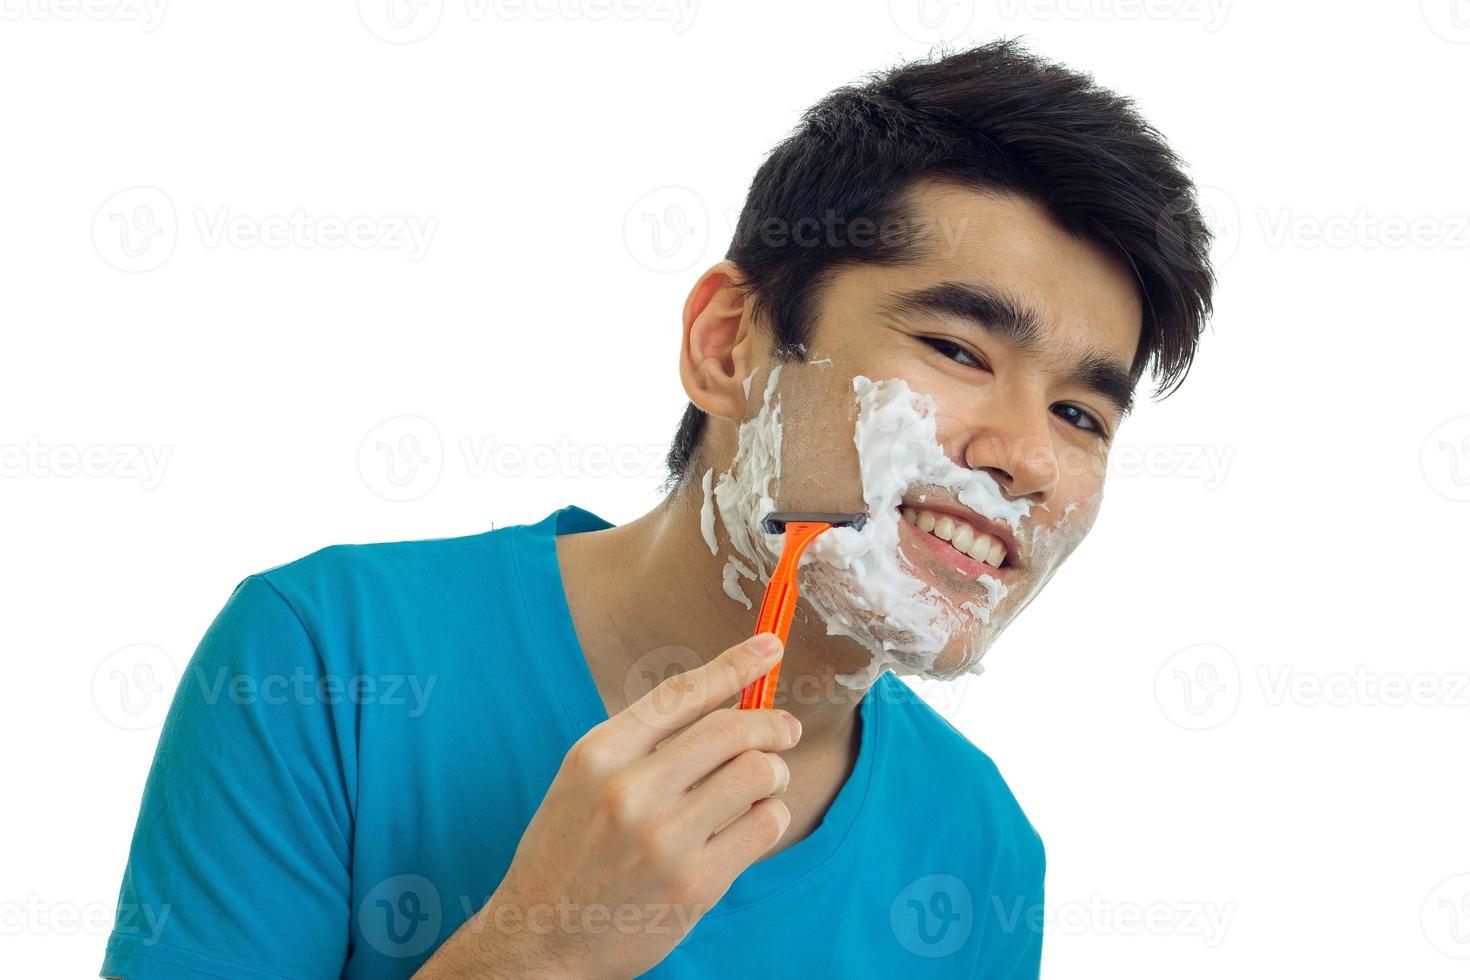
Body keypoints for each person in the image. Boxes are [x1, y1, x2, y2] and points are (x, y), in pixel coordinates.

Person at [101, 39, 1213, 979]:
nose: (1022, 455)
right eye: (958, 348)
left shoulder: (981, 848)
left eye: (1082, 415)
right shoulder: (325, 654)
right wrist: (535, 949)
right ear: (728, 345)